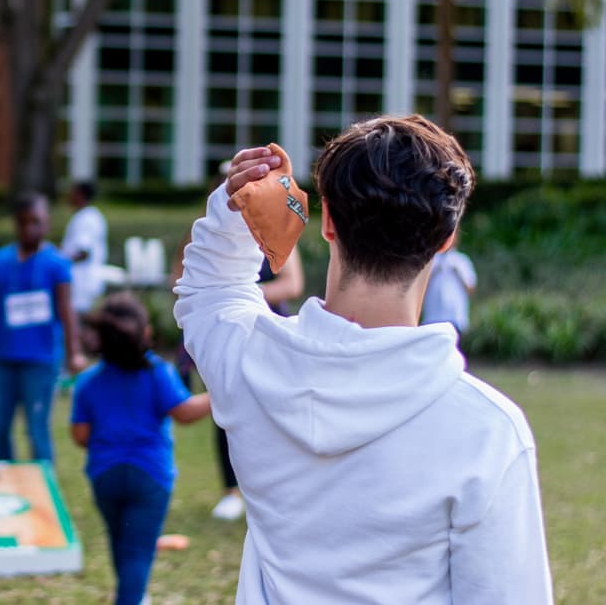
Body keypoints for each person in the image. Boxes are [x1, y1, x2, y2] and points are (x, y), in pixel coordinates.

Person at [174, 115, 551, 603]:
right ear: (446, 238)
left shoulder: (252, 368)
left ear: (327, 221)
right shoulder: (489, 431)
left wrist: (237, 209)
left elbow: (209, 290)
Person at [70, 293, 212, 605]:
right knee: (138, 550)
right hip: (150, 476)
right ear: (143, 333)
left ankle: (134, 595)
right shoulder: (157, 372)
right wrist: (218, 394)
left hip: (105, 475)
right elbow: (185, 412)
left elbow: (80, 435)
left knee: (121, 543)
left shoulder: (89, 382)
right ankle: (132, 598)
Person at [171, 222, 305, 523]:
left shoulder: (276, 227)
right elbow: (179, 275)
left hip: (269, 328)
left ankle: (276, 489)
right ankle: (231, 490)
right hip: (225, 330)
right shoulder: (204, 230)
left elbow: (292, 283)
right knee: (227, 404)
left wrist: (236, 292)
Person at [0, 194, 86, 462]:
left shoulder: (56, 264)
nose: (29, 229)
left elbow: (66, 311)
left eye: (35, 222)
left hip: (40, 359)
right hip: (4, 358)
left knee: (37, 430)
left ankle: (44, 486)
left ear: (46, 224)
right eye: (23, 223)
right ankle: (7, 481)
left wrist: (74, 353)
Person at [61, 181, 108, 315]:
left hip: (82, 283)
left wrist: (59, 260)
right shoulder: (91, 216)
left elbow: (83, 253)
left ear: (79, 195)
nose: (69, 196)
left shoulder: (86, 218)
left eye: (72, 192)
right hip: (85, 282)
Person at [421, 238, 477, 335]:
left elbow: (471, 290)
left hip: (456, 319)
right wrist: (434, 272)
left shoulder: (462, 261)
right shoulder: (430, 262)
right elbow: (420, 291)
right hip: (432, 320)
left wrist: (458, 273)